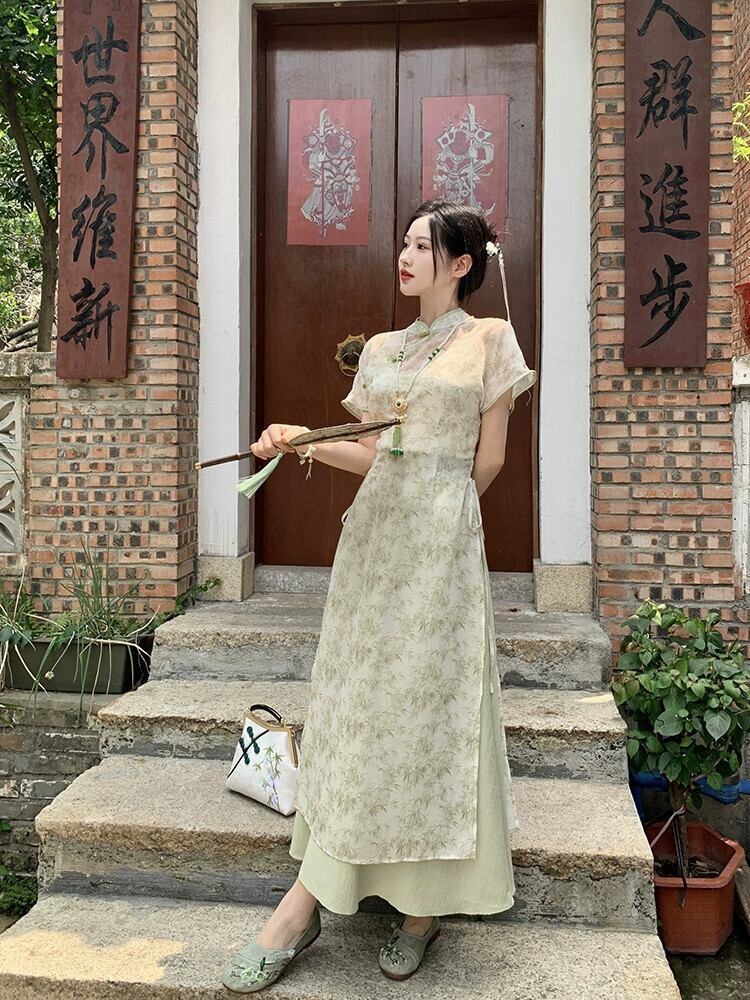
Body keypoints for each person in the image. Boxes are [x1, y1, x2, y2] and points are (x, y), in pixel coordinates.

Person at [221, 199, 537, 993]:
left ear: (460, 264)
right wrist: (299, 440)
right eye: (403, 242)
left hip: (440, 546)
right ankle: (309, 899)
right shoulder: (382, 350)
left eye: (422, 246)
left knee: (429, 708)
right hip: (373, 545)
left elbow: (490, 459)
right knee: (361, 704)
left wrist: (443, 514)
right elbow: (368, 454)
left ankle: (423, 911)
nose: (404, 255)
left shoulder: (490, 339)